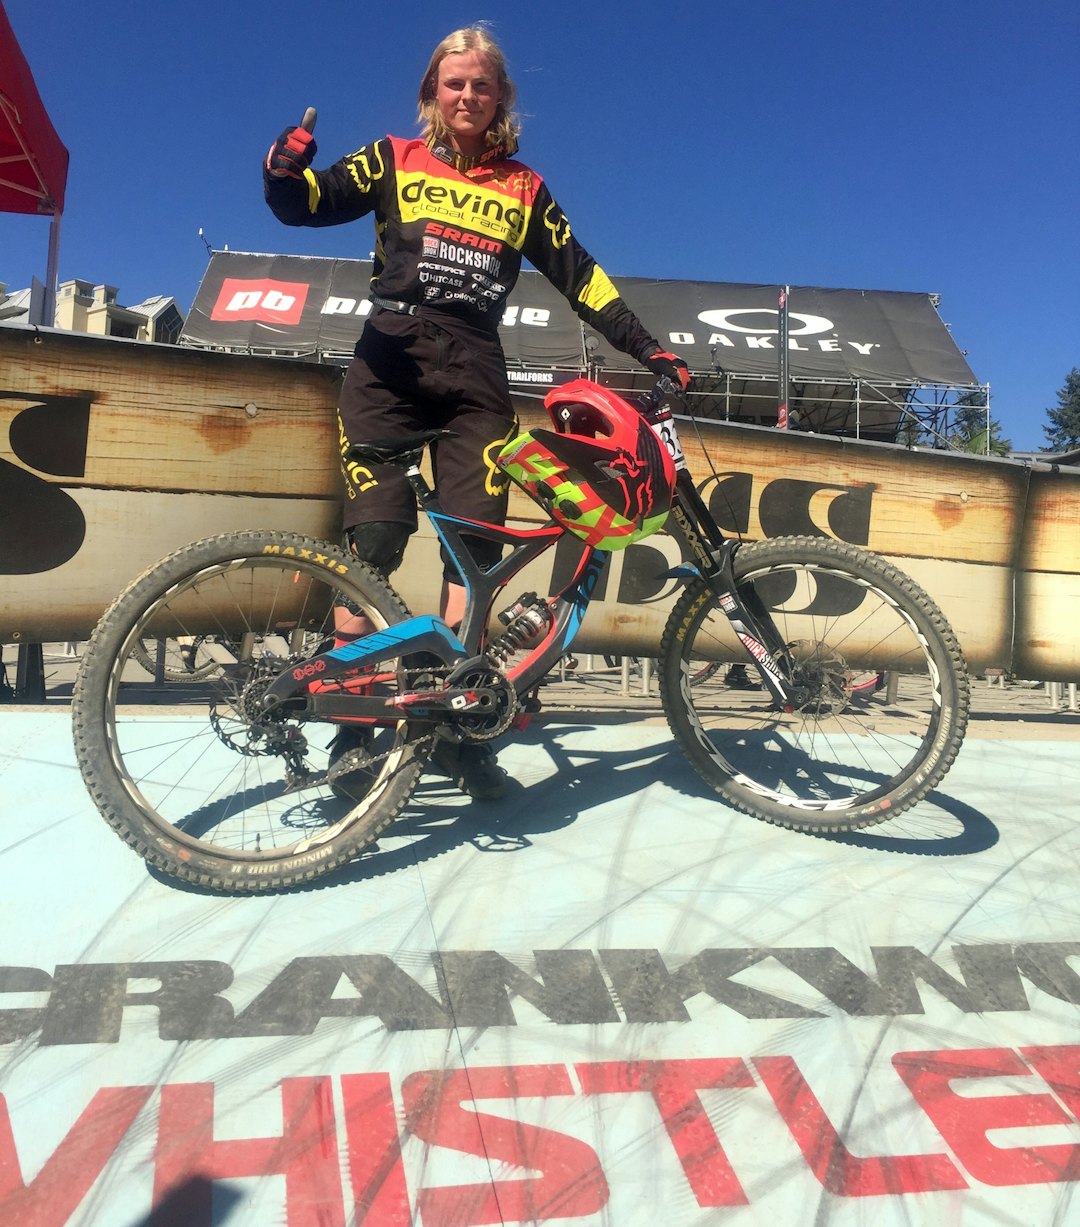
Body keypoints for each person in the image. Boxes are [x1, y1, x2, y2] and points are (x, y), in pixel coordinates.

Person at [264, 25, 688, 800]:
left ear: (501, 100)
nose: (467, 95)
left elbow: (581, 276)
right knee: (376, 543)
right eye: (453, 83)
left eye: (481, 85)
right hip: (388, 363)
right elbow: (310, 203)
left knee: (477, 560)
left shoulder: (524, 187)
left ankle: (454, 727)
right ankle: (352, 733)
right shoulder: (392, 157)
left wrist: (648, 348)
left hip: (475, 377)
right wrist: (282, 173)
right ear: (433, 93)